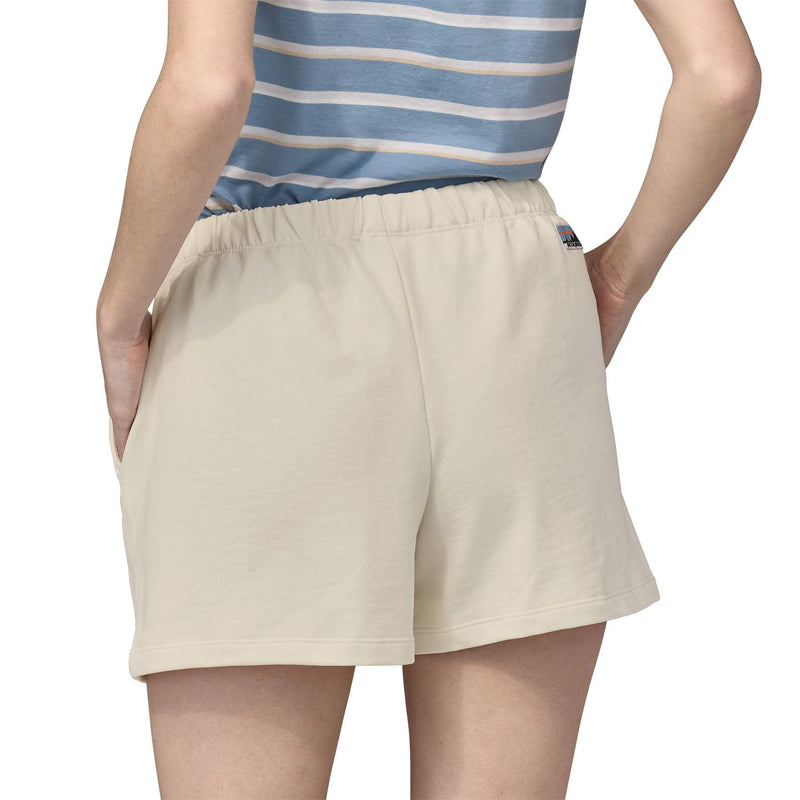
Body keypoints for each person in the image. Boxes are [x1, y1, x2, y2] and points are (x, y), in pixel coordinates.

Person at [96, 1, 760, 797]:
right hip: (515, 302)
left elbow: (210, 87)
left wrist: (117, 318)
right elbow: (721, 75)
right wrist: (617, 282)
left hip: (265, 307)